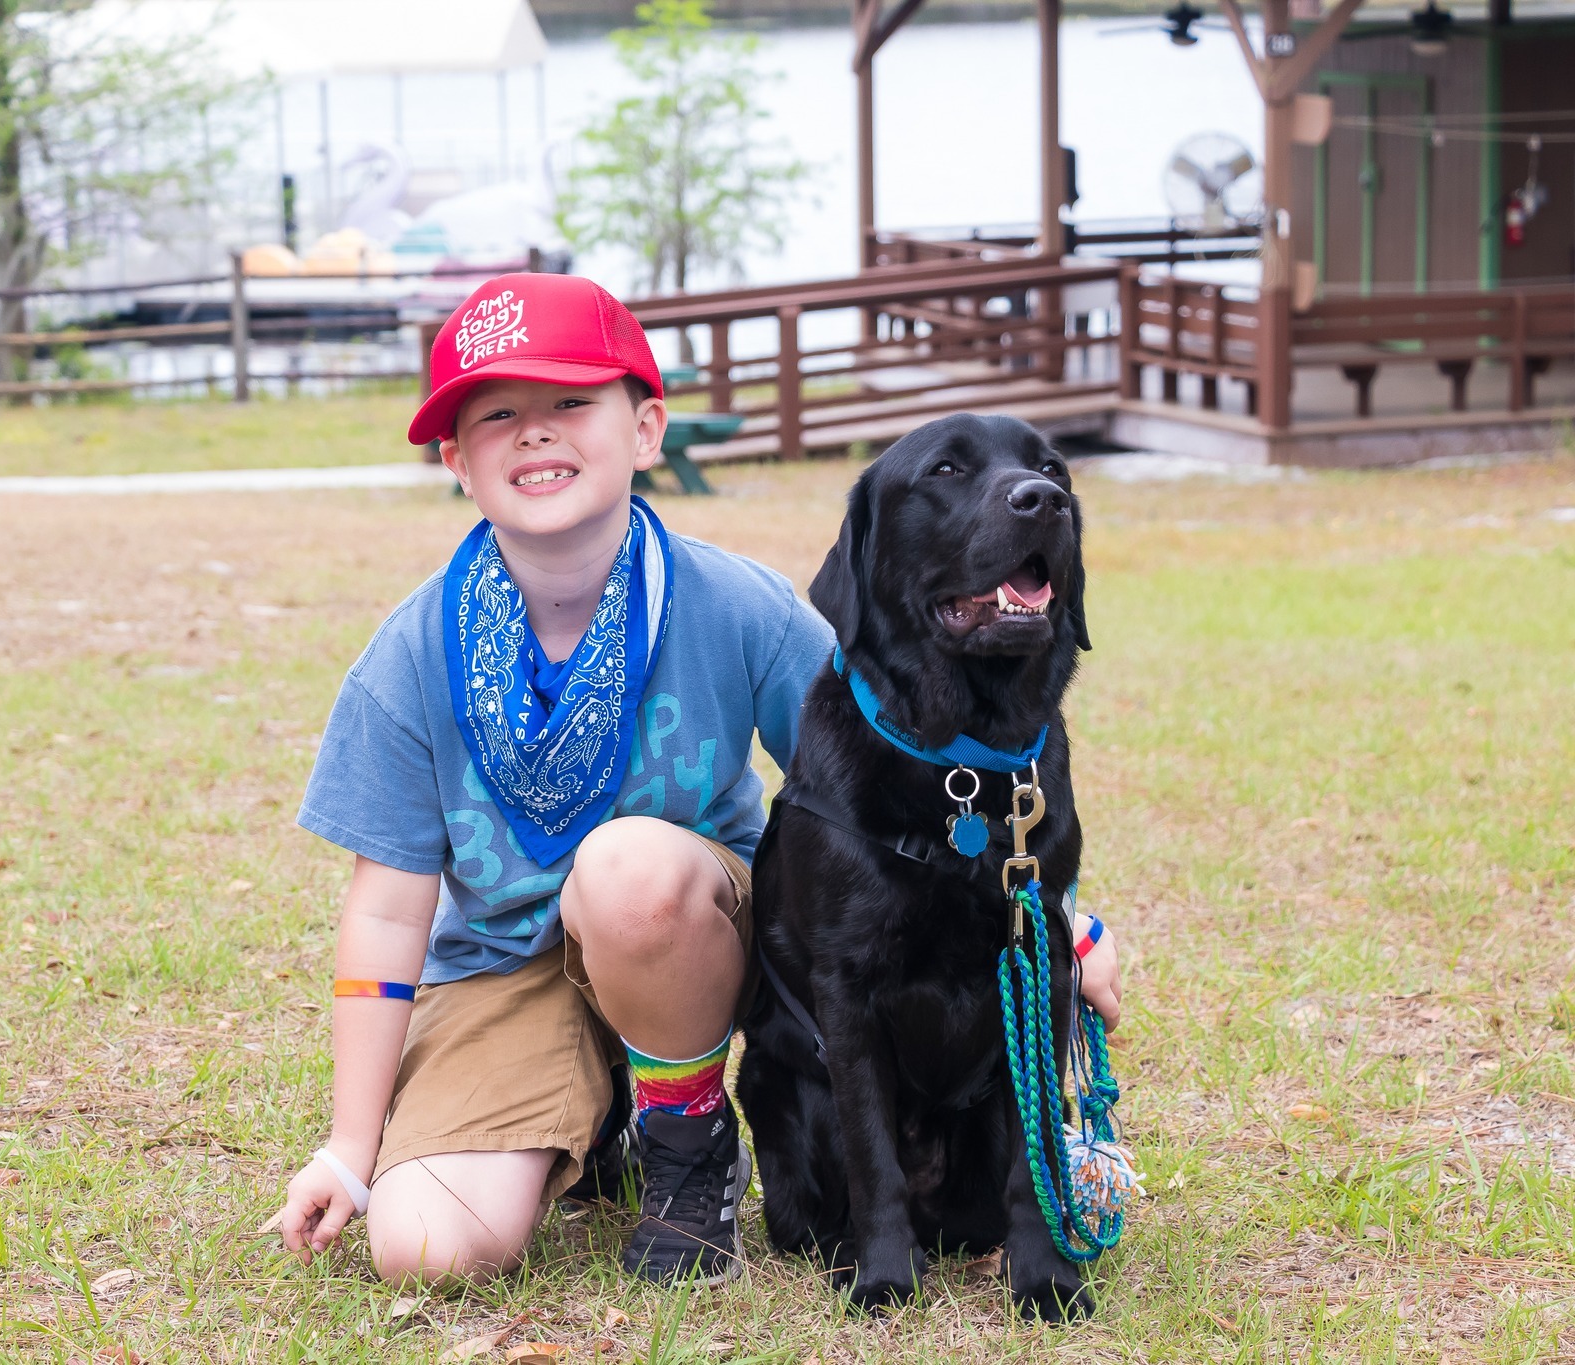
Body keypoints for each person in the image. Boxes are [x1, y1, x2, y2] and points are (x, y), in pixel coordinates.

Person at [274, 272, 1124, 1288]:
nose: (536, 435)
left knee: (629, 868)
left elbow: (898, 761)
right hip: (505, 973)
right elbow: (383, 917)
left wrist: (1058, 914)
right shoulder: (409, 655)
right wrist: (346, 1146)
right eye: (497, 414)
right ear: (455, 460)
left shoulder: (737, 605)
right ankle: (592, 1132)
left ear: (645, 431)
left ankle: (684, 1147)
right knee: (426, 1250)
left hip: (687, 939)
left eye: (571, 403)